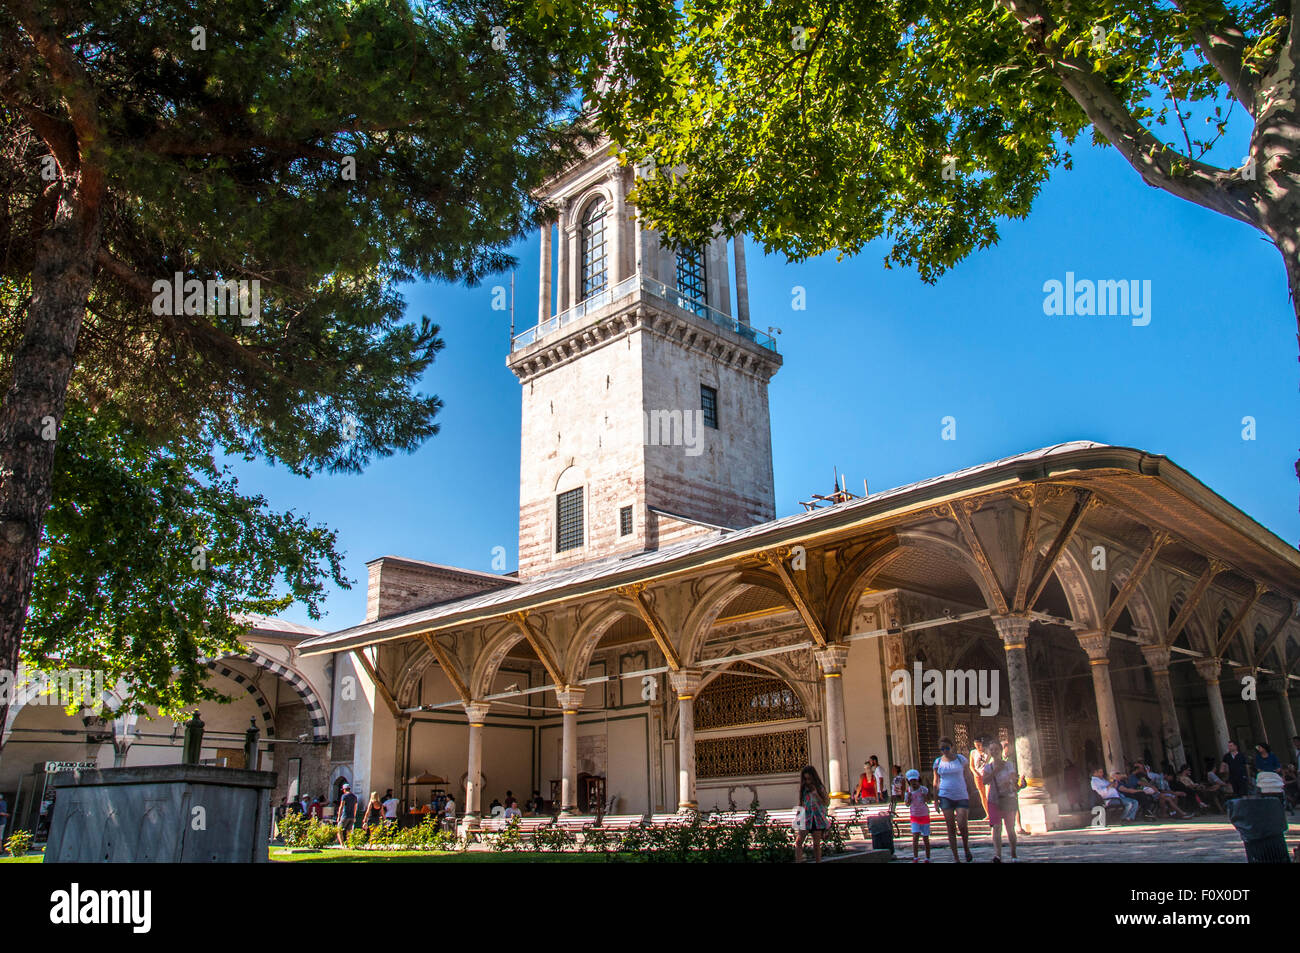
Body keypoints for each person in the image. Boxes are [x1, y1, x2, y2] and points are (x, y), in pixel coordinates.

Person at [933, 737, 973, 862]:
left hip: (961, 794)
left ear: (952, 746)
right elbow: (936, 781)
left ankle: (966, 848)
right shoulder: (938, 762)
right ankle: (956, 857)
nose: (944, 750)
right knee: (950, 827)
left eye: (946, 747)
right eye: (942, 748)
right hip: (945, 795)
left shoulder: (960, 759)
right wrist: (935, 799)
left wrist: (971, 789)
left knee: (962, 823)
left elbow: (968, 775)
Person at [983, 741, 1018, 862]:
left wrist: (1010, 781)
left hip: (1007, 799)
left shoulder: (1008, 765)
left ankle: (1013, 853)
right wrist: (995, 771)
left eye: (996, 749)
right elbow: (984, 781)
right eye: (991, 749)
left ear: (1001, 750)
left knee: (1010, 829)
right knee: (996, 827)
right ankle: (997, 855)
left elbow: (1013, 777)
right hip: (994, 799)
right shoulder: (988, 767)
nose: (994, 752)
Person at [793, 765, 830, 863]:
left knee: (816, 844)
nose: (807, 781)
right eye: (805, 779)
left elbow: (826, 802)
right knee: (799, 841)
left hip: (817, 817)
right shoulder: (804, 788)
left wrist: (816, 794)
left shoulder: (820, 788)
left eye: (809, 778)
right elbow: (801, 802)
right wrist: (797, 816)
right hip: (806, 817)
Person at [1002, 739, 1029, 835]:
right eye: (1009, 748)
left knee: (1015, 807)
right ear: (1004, 748)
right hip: (1002, 788)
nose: (1011, 750)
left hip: (1012, 786)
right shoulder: (998, 760)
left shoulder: (1013, 759)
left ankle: (1018, 826)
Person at [903, 769, 931, 863]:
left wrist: (925, 796)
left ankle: (927, 857)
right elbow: (907, 804)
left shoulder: (923, 789)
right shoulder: (908, 791)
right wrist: (909, 798)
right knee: (915, 837)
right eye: (911, 781)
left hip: (924, 815)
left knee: (925, 838)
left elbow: (928, 800)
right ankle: (915, 857)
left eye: (915, 780)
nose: (913, 783)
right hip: (914, 816)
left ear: (918, 779)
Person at [969, 736, 992, 817]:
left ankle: (992, 812)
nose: (977, 747)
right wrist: (974, 772)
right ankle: (987, 814)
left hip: (987, 774)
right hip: (978, 775)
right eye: (976, 745)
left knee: (988, 794)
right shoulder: (973, 752)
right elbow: (971, 766)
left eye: (979, 745)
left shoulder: (988, 751)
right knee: (982, 795)